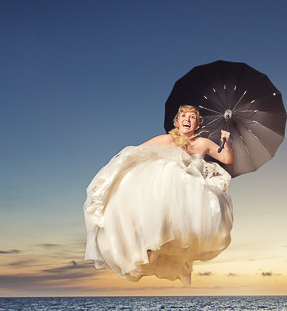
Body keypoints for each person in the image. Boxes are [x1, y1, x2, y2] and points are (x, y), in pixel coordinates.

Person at [84, 105, 234, 285]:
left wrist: (226, 142)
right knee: (167, 171)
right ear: (177, 122)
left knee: (191, 225)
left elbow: (227, 159)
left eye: (192, 117)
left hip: (190, 197)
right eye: (184, 116)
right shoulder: (166, 139)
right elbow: (136, 152)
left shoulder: (202, 143)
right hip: (164, 193)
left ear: (197, 123)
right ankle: (146, 245)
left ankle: (179, 256)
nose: (187, 119)